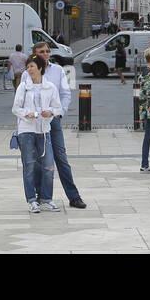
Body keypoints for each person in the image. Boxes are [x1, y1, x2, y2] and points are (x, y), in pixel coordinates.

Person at [20, 41, 87, 208]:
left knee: (61, 158)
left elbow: (65, 93)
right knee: (35, 161)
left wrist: (59, 112)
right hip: (33, 124)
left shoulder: (58, 70)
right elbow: (22, 100)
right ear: (34, 54)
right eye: (41, 51)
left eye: (48, 51)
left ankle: (74, 196)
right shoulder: (27, 73)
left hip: (52, 122)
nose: (46, 54)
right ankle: (39, 196)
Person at [14, 55, 62, 213]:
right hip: (26, 130)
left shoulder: (50, 87)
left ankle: (46, 199)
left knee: (48, 165)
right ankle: (32, 200)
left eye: (32, 66)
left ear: (40, 68)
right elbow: (16, 108)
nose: (29, 70)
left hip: (44, 130)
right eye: (28, 67)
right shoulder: (23, 87)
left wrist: (51, 112)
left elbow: (58, 108)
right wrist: (27, 114)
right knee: (29, 166)